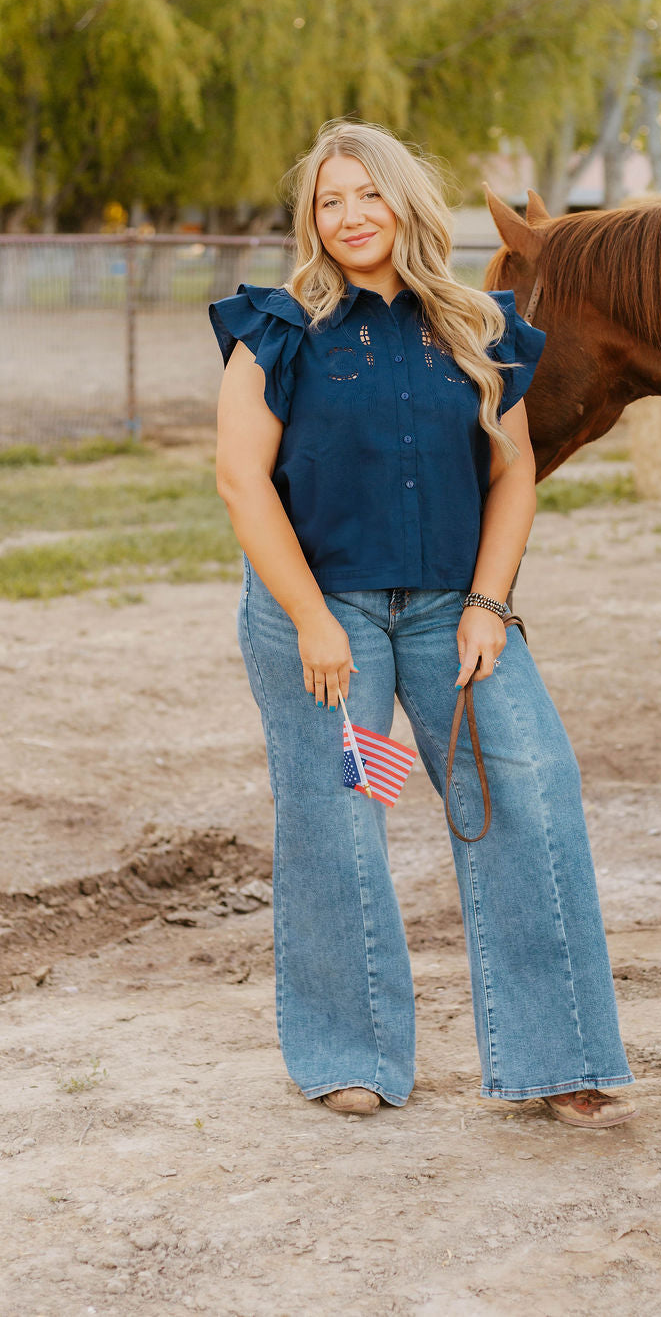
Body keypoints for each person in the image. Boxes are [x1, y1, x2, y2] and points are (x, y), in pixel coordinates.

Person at [209, 119, 635, 1129]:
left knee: (524, 792)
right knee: (347, 812)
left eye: (368, 193)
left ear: (406, 200)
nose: (351, 215)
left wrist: (489, 601)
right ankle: (350, 1052)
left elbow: (515, 470)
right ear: (312, 219)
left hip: (453, 612)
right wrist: (314, 620)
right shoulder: (280, 326)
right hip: (327, 620)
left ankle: (560, 1052)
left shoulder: (478, 326)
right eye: (329, 199)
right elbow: (239, 479)